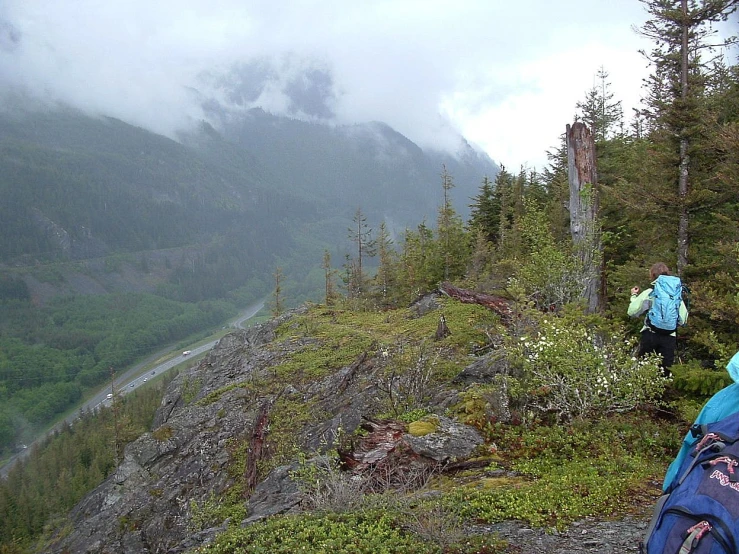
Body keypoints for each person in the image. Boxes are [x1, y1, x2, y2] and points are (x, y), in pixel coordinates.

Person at [662, 350, 739, 491]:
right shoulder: (725, 398)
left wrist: (669, 489)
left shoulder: (724, 399)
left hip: (704, 491)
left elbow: (690, 446)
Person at [627, 262, 688, 374]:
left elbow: (632, 311)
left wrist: (633, 296)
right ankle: (662, 391)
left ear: (653, 276)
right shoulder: (675, 295)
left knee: (643, 369)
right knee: (665, 372)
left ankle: (641, 390)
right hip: (669, 337)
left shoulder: (651, 293)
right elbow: (683, 319)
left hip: (650, 334)